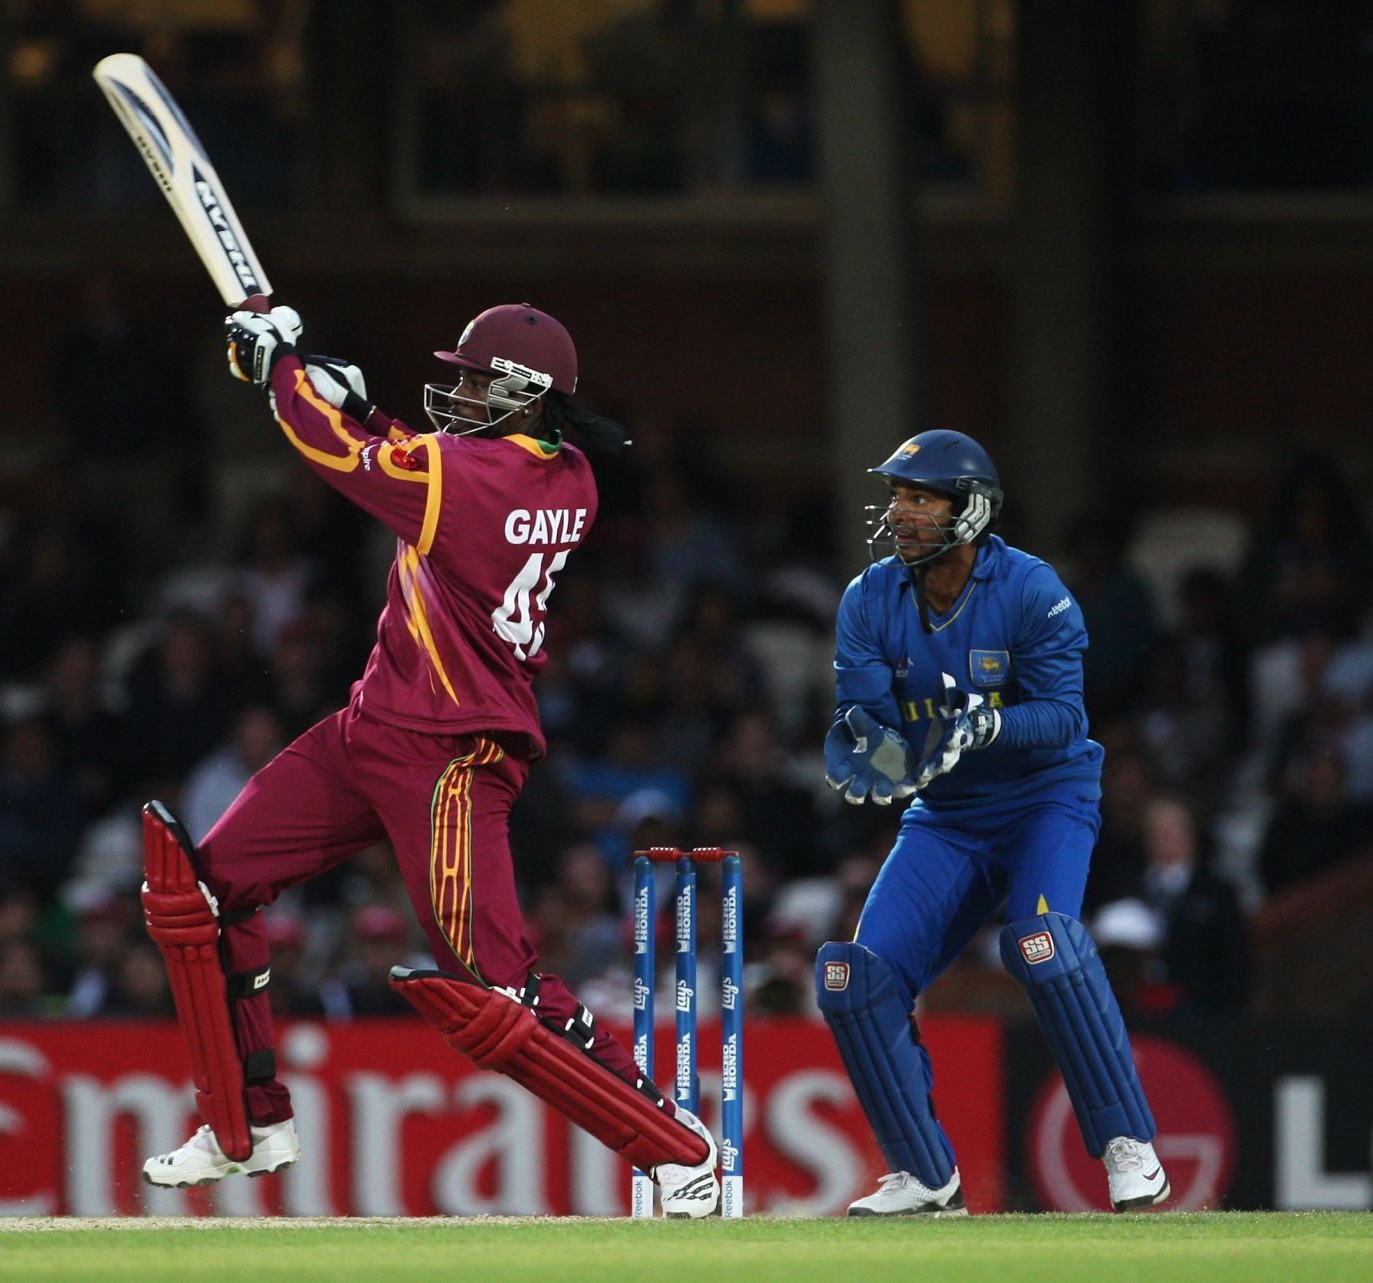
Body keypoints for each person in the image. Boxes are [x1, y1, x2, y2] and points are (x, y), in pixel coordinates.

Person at [137, 303, 722, 1217]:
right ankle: (245, 1122)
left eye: (480, 381)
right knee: (203, 892)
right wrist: (361, 408)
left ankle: (677, 1148)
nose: (460, 393)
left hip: (449, 753)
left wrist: (281, 373)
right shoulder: (562, 473)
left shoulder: (477, 479)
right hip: (374, 727)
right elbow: (409, 458)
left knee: (501, 985)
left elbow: (340, 460)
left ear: (525, 395)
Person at [819, 430, 1169, 1216]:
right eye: (898, 497)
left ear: (969, 510)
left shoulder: (1032, 588)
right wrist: (870, 749)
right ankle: (924, 1173)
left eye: (919, 498)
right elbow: (868, 717)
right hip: (947, 812)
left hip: (1046, 794)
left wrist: (987, 725)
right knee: (852, 977)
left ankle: (1128, 1146)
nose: (900, 512)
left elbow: (1064, 717)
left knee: (1039, 942)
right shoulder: (868, 596)